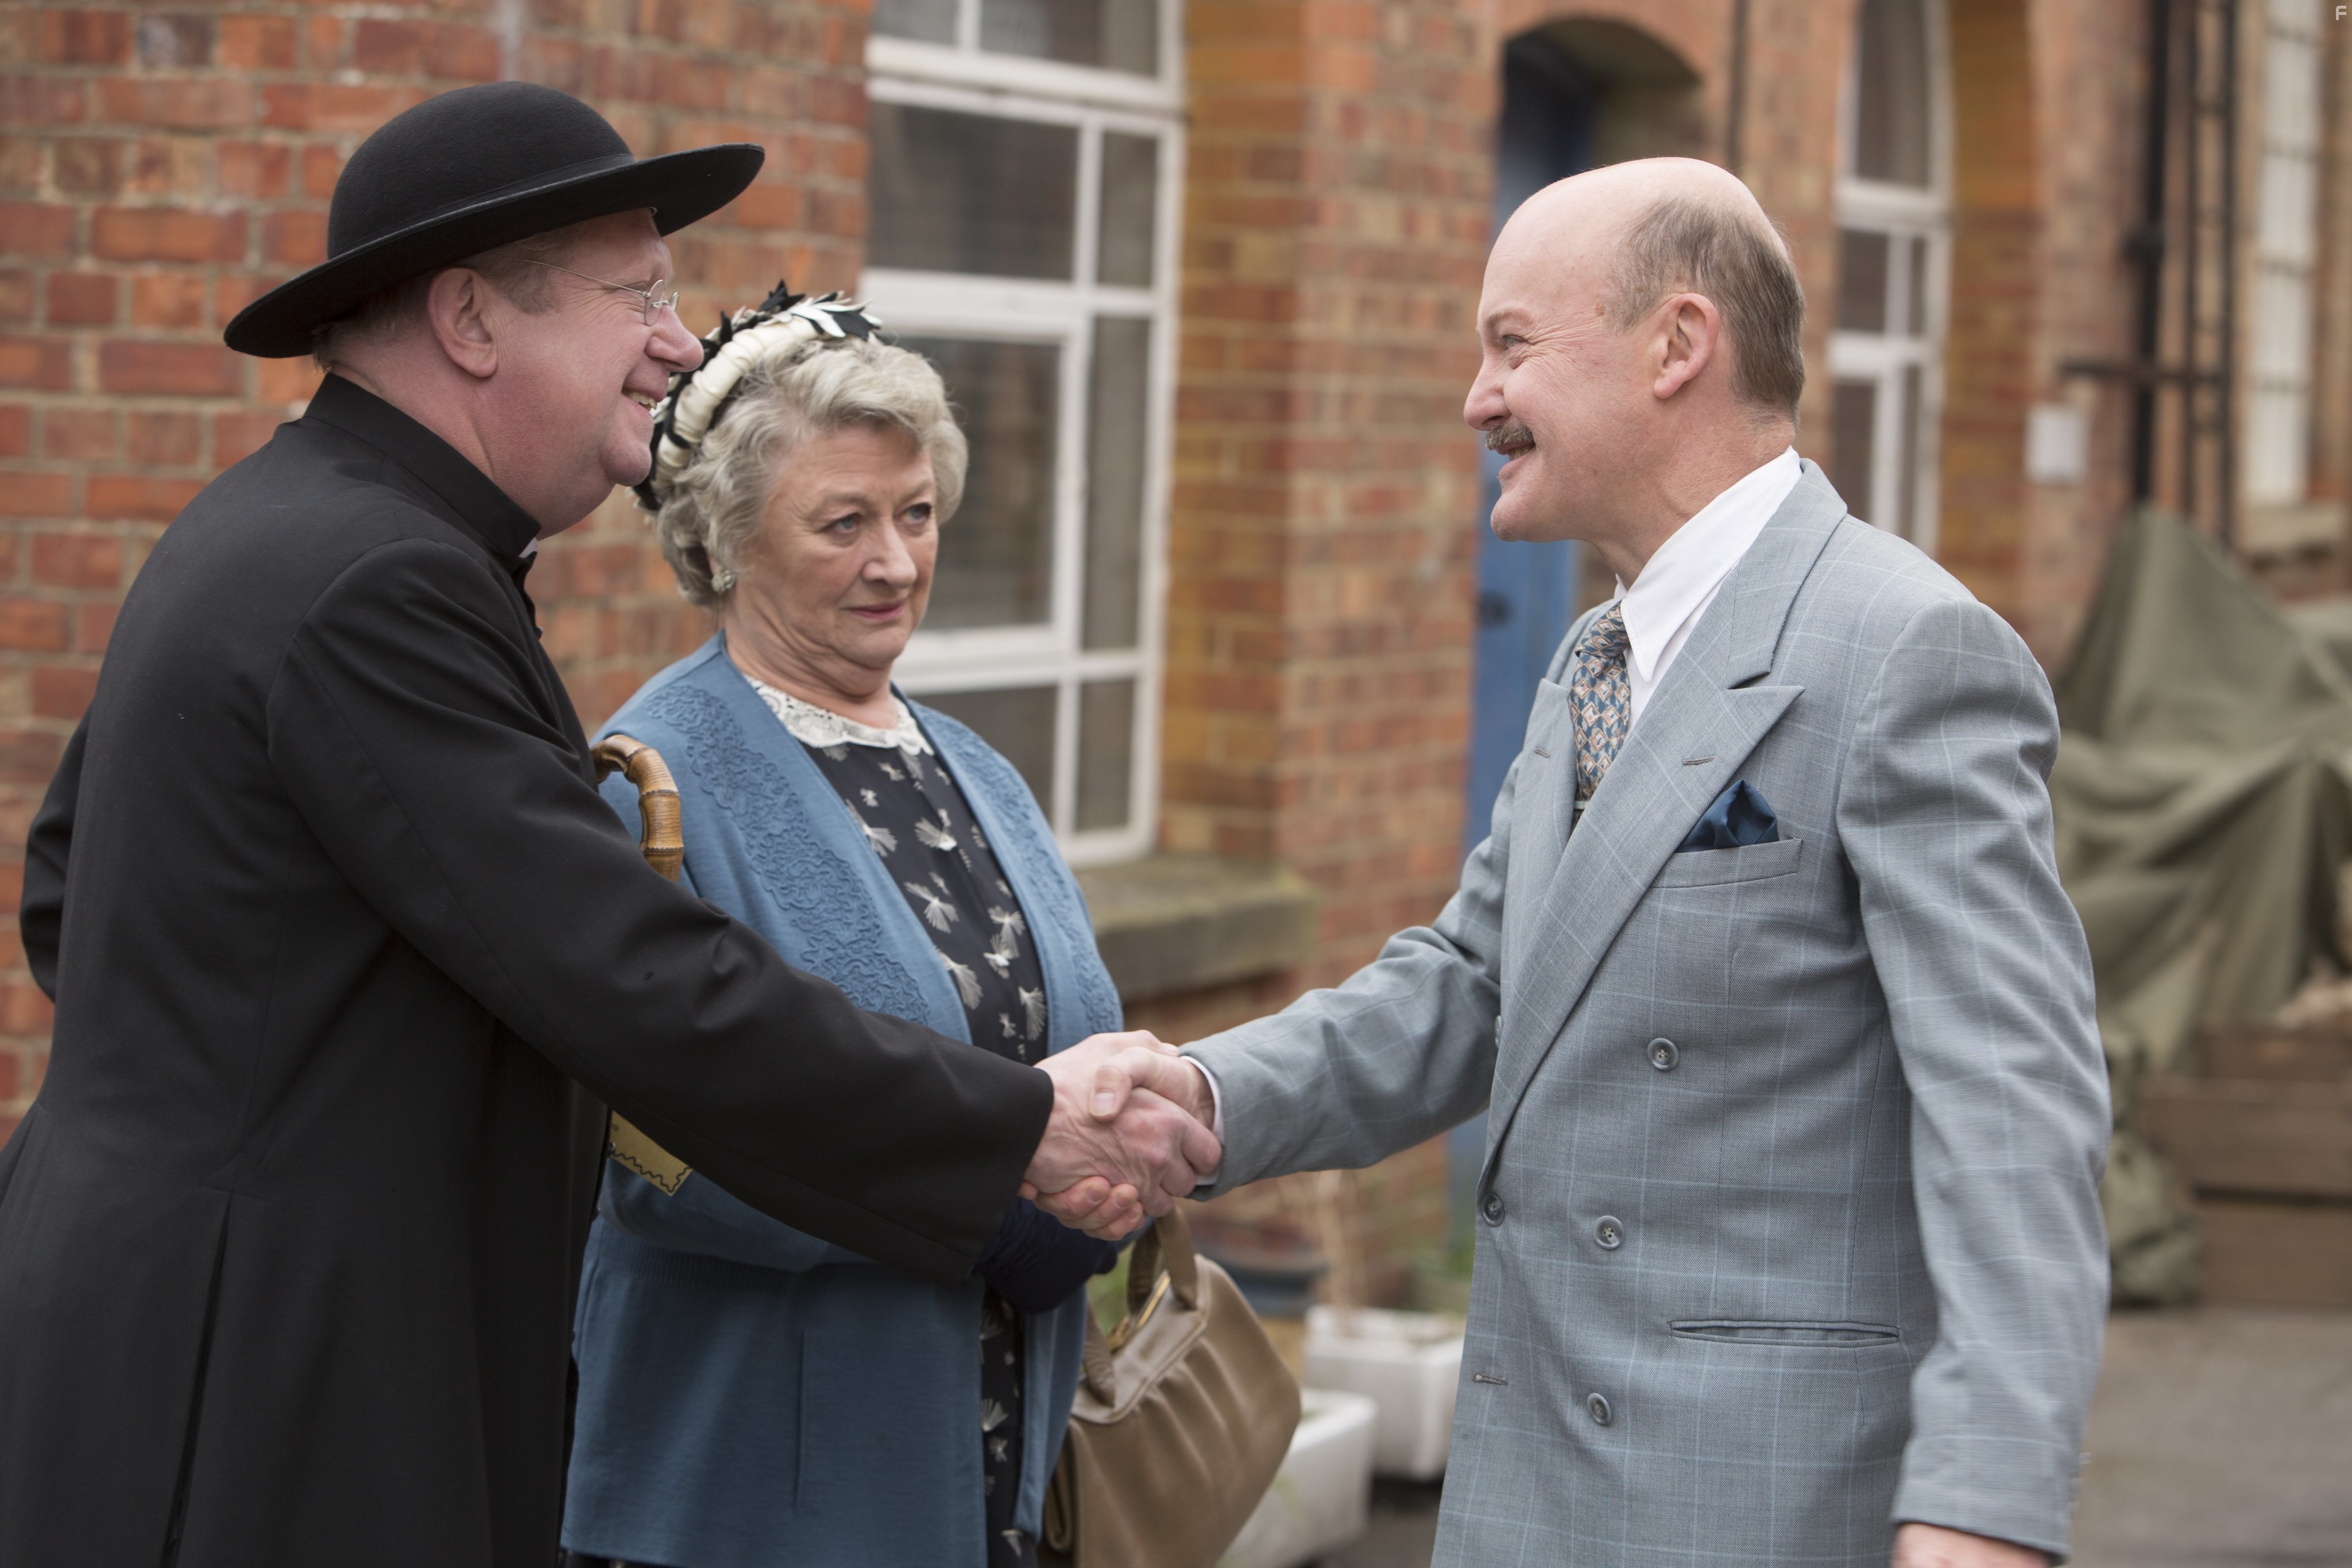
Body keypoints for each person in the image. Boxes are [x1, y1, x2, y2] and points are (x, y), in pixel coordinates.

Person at [0, 83, 1208, 1568]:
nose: (677, 340)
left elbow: (74, 896)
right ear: (470, 320)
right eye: (636, 293)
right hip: (271, 1360)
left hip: (196, 1316)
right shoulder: (382, 580)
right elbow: (632, 977)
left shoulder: (279, 522)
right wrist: (1018, 1125)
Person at [1060, 158, 2111, 1567]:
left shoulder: (1907, 649)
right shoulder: (1593, 653)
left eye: (1510, 345)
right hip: (1532, 1485)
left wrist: (1982, 1510)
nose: (1474, 399)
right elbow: (1476, 990)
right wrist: (1196, 1096)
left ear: (1676, 345)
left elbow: (2014, 1118)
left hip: (1765, 1501)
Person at [556, 291, 1120, 1568]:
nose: (896, 561)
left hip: (990, 1458)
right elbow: (645, 1153)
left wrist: (1114, 1166)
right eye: (843, 523)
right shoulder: (648, 781)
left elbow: (1067, 1029)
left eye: (914, 513)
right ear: (726, 540)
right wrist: (988, 1209)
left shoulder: (969, 764)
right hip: (762, 1485)